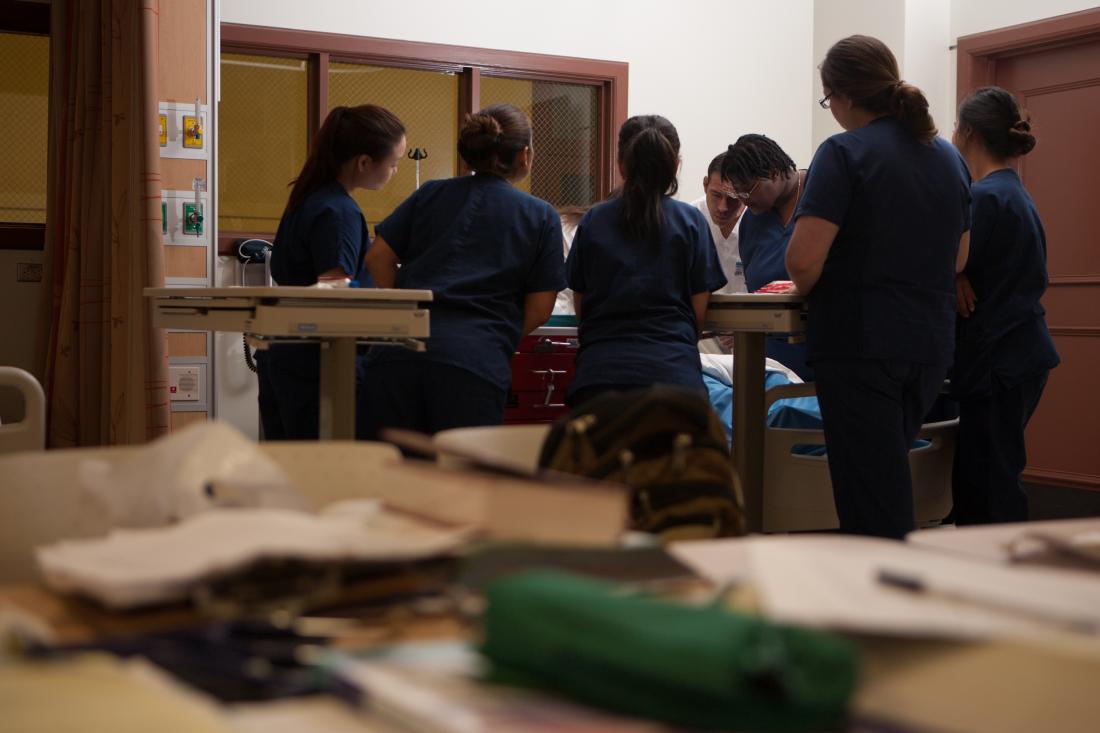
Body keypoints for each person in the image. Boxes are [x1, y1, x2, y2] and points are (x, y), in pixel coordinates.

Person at [785, 35, 972, 539]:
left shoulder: (843, 153)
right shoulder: (949, 159)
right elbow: (959, 257)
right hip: (929, 344)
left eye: (828, 102)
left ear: (843, 96)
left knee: (868, 496)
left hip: (861, 344)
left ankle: (876, 605)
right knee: (887, 480)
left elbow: (802, 262)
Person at [361, 104, 564, 436]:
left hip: (398, 354)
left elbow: (377, 257)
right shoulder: (539, 215)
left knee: (392, 479)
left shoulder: (430, 193)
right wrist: (494, 335)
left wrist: (407, 307)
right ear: (524, 156)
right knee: (461, 481)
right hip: (473, 363)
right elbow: (541, 307)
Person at [257, 104, 406, 441]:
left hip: (287, 353)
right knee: (327, 469)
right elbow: (333, 295)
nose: (395, 171)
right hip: (321, 363)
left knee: (293, 463)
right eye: (394, 163)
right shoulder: (337, 212)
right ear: (364, 162)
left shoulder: (307, 199)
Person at [950, 86, 1059, 525]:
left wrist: (949, 272)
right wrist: (957, 274)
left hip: (1000, 359)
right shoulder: (1012, 192)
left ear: (969, 132)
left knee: (989, 485)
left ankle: (997, 580)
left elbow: (947, 258)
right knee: (994, 474)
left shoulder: (985, 198)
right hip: (1020, 353)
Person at [565, 115, 727, 407]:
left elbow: (582, 308)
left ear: (621, 164)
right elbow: (697, 316)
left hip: (600, 380)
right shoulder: (691, 223)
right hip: (674, 379)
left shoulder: (594, 222)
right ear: (675, 164)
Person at [721, 134, 811, 379]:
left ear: (773, 173)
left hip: (827, 352)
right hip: (772, 364)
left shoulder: (822, 194)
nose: (743, 201)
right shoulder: (752, 222)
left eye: (747, 192)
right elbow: (758, 292)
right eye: (737, 194)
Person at [690, 152, 746, 294]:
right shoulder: (690, 219)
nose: (722, 207)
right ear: (705, 184)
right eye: (716, 195)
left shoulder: (758, 219)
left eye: (732, 198)